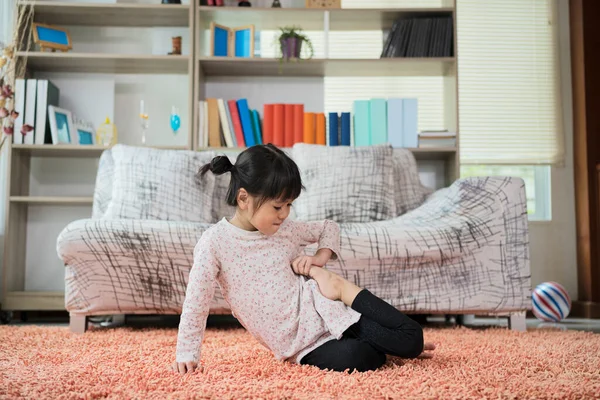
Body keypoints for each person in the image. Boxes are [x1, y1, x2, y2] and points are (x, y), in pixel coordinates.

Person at [171, 144, 435, 375]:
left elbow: (328, 227)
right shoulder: (215, 242)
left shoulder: (286, 230)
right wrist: (187, 352)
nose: (285, 214)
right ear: (243, 198)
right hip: (301, 346)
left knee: (412, 341)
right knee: (363, 357)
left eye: (289, 205)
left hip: (330, 313)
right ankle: (383, 338)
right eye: (278, 206)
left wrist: (319, 260)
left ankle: (339, 287)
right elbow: (196, 300)